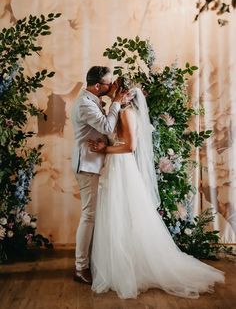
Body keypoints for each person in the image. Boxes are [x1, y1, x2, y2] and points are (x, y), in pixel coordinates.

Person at [88, 81, 225, 299]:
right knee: (116, 215)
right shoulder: (116, 111)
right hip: (113, 166)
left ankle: (131, 266)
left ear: (122, 92)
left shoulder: (127, 114)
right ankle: (119, 265)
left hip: (122, 167)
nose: (110, 88)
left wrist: (105, 148)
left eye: (114, 86)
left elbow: (130, 147)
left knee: (126, 214)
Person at [71, 66, 127, 285]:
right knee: (88, 216)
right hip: (86, 166)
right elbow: (106, 124)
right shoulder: (85, 103)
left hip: (93, 162)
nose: (111, 86)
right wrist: (117, 102)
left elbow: (99, 130)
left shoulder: (92, 100)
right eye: (108, 83)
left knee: (92, 215)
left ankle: (88, 262)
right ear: (97, 86)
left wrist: (103, 142)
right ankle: (80, 268)